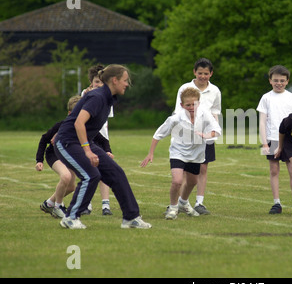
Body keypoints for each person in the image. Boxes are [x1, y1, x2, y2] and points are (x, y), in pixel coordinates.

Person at [54, 64, 151, 229]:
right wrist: (87, 150)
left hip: (83, 142)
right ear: (115, 80)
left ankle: (131, 218)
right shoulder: (98, 97)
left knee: (116, 173)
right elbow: (79, 123)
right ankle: (70, 217)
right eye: (125, 80)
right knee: (91, 175)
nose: (127, 84)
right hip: (67, 142)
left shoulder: (108, 98)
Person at [141, 87, 222, 220]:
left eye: (194, 104)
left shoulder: (204, 114)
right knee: (177, 181)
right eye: (188, 105)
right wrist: (150, 153)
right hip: (178, 152)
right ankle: (173, 208)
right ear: (181, 105)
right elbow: (158, 134)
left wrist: (206, 135)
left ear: (199, 103)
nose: (191, 107)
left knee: (192, 181)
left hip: (197, 154)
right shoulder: (176, 118)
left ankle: (183, 203)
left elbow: (217, 130)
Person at [173, 58, 222, 215]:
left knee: (203, 168)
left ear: (211, 74)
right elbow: (178, 111)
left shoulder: (215, 91)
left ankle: (199, 203)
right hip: (186, 135)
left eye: (206, 73)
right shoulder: (185, 88)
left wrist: (214, 133)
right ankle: (178, 202)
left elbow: (215, 112)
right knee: (185, 172)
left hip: (205, 135)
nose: (202, 76)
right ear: (194, 72)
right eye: (200, 73)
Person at [257, 65, 292, 214]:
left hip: (290, 140)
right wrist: (264, 142)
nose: (279, 83)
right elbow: (262, 121)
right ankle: (277, 203)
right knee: (274, 170)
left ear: (287, 81)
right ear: (270, 80)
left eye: (282, 80)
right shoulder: (266, 98)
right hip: (272, 138)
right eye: (275, 80)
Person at [36, 96, 81, 218]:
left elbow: (100, 139)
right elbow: (44, 139)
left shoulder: (84, 126)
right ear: (69, 113)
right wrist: (39, 160)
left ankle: (49, 203)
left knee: (71, 186)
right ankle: (58, 207)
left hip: (68, 156)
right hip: (54, 154)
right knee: (65, 176)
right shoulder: (61, 125)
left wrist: (107, 151)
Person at [81, 64, 114, 216]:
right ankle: (86, 204)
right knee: (88, 171)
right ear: (91, 82)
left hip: (102, 139)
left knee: (104, 171)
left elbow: (105, 119)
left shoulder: (107, 97)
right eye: (96, 82)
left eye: (101, 82)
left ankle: (105, 205)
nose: (98, 85)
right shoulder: (85, 94)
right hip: (87, 138)